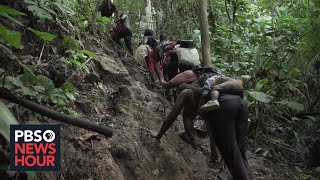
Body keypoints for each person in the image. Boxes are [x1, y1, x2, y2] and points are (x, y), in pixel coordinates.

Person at [153, 87, 252, 180]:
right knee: (240, 152)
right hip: (241, 103)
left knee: (231, 154)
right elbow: (211, 132)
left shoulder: (186, 93)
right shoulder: (202, 99)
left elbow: (172, 115)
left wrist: (158, 136)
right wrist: (216, 156)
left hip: (225, 106)